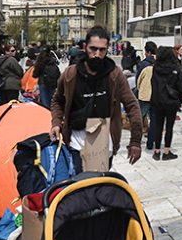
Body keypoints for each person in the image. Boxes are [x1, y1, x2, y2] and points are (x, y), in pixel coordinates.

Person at [50, 26, 143, 172]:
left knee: (98, 186)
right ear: (85, 47)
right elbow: (57, 101)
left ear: (108, 49)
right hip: (77, 141)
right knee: (81, 187)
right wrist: (56, 123)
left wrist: (135, 141)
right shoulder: (70, 74)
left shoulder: (115, 75)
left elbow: (132, 105)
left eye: (102, 50)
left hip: (104, 142)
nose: (97, 55)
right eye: (93, 49)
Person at [150, 46, 182, 161]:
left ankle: (156, 151)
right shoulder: (176, 68)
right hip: (171, 101)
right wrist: (180, 100)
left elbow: (153, 84)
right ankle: (166, 151)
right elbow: (181, 86)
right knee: (169, 127)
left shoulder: (155, 68)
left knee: (158, 126)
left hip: (157, 101)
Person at [136, 41, 158, 153]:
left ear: (148, 52)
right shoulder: (159, 62)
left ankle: (136, 141)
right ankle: (150, 143)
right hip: (156, 96)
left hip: (144, 96)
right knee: (154, 119)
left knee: (140, 118)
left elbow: (138, 80)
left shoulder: (144, 64)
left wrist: (140, 90)